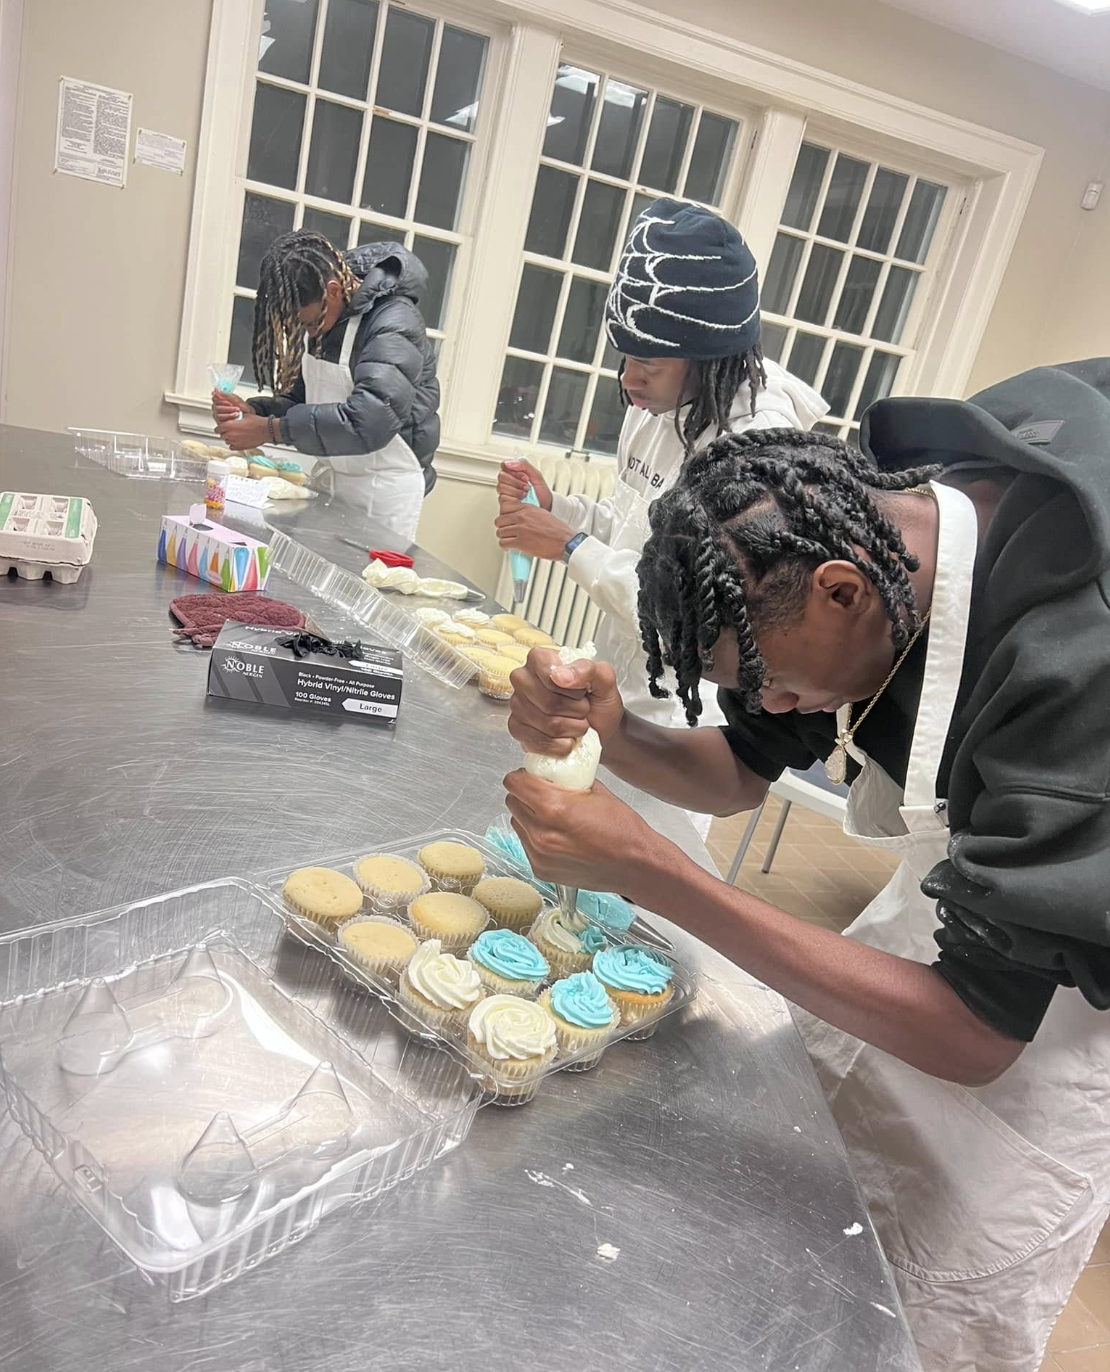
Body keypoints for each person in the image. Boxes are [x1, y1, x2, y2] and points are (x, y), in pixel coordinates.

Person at [502, 359, 1110, 1372]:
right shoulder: (855, 529)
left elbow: (977, 1031)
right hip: (954, 913)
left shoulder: (1074, 654)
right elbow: (742, 769)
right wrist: (614, 731)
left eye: (775, 682)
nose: (776, 704)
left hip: (1061, 1005)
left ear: (842, 591)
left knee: (935, 1304)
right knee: (820, 1249)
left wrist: (663, 875)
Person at [494, 197, 826, 836]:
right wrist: (560, 509)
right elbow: (633, 526)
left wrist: (569, 545)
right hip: (620, 687)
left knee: (643, 867)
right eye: (625, 358)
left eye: (649, 364)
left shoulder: (756, 451)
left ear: (710, 357)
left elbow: (695, 613)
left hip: (684, 718)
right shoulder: (657, 409)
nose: (629, 380)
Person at [212, 230, 440, 543]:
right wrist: (255, 412)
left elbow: (370, 420)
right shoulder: (330, 316)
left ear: (333, 291)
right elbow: (304, 401)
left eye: (308, 323)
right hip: (334, 480)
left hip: (383, 491)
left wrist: (270, 429)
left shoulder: (394, 322)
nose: (308, 332)